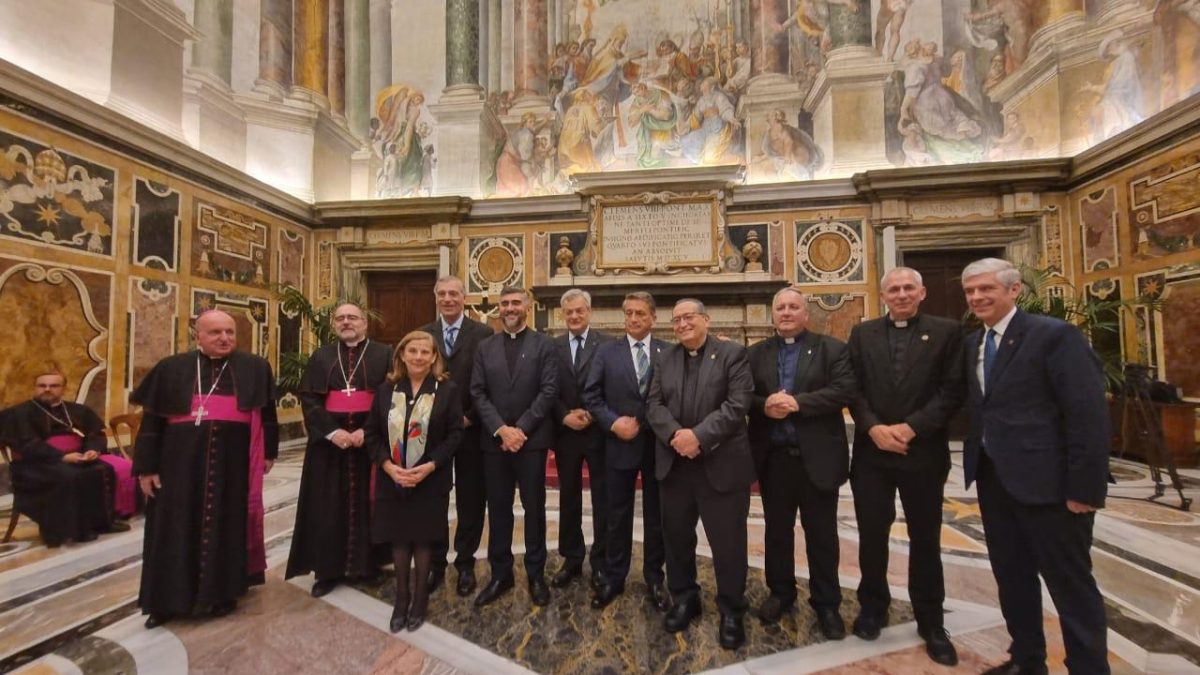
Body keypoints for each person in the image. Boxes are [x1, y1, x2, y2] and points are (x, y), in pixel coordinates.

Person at [961, 258, 1110, 675]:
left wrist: (1085, 489)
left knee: (1070, 586)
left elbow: (1088, 415)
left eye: (986, 288)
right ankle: (1027, 662)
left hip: (1052, 487)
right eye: (970, 291)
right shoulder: (972, 344)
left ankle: (1089, 669)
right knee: (1013, 579)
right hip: (995, 481)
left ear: (1014, 290)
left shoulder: (1054, 336)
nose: (977, 297)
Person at [131, 309, 279, 628]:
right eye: (215, 332)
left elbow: (267, 414)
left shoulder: (254, 367)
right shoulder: (171, 368)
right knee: (172, 527)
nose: (224, 338)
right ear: (197, 335)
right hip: (178, 464)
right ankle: (164, 601)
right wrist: (146, 467)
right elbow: (152, 422)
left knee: (228, 524)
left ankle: (222, 594)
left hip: (232, 463)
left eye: (230, 332)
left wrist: (268, 452)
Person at [847, 268, 963, 665]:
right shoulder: (862, 334)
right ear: (883, 296)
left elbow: (953, 390)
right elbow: (853, 388)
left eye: (907, 288)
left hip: (923, 453)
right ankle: (872, 608)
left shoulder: (947, 332)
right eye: (893, 289)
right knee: (871, 535)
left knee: (925, 538)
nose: (900, 294)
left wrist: (912, 428)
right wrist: (873, 428)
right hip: (872, 454)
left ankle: (931, 621)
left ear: (922, 292)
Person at [746, 287, 856, 639]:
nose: (787, 312)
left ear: (806, 314)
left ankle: (827, 603)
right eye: (780, 307)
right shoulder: (755, 354)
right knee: (777, 532)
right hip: (774, 459)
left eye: (793, 307)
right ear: (773, 314)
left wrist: (798, 403)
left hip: (817, 459)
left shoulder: (832, 349)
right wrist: (764, 406)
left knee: (822, 535)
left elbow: (844, 391)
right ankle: (781, 592)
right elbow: (743, 396)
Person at [646, 299, 755, 650]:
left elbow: (737, 405)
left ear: (706, 319)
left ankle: (732, 610)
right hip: (675, 466)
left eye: (689, 317)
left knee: (728, 544)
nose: (682, 324)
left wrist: (699, 437)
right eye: (676, 319)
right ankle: (685, 598)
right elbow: (653, 405)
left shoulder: (732, 354)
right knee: (677, 540)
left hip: (720, 465)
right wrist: (677, 436)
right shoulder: (664, 358)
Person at [286, 303, 392, 597]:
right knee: (327, 506)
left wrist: (366, 431)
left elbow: (391, 397)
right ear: (334, 324)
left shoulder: (384, 354)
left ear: (365, 323)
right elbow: (309, 398)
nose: (346, 322)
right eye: (341, 318)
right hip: (328, 446)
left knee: (370, 504)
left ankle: (368, 566)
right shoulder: (321, 356)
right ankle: (327, 571)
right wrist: (333, 433)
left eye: (352, 317)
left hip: (368, 443)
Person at [364, 331, 463, 633]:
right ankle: (401, 599)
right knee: (399, 539)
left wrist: (430, 466)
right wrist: (388, 467)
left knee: (422, 540)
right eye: (413, 351)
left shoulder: (447, 390)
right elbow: (371, 433)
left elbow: (455, 434)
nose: (419, 357)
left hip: (430, 479)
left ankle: (419, 600)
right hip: (393, 478)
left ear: (434, 358)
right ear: (402, 356)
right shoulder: (387, 390)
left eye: (425, 352)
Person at [470, 286, 558, 607]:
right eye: (505, 303)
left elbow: (549, 391)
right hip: (495, 443)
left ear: (527, 307)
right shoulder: (485, 347)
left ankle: (536, 574)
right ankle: (500, 574)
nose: (509, 308)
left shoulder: (544, 345)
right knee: (498, 509)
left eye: (516, 302)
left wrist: (520, 430)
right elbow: (477, 392)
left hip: (531, 442)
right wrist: (501, 430)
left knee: (534, 509)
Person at [584, 292, 671, 612]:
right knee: (616, 514)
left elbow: (673, 396)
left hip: (657, 446)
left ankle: (654, 577)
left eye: (640, 313)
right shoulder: (607, 352)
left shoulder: (668, 352)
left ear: (653, 318)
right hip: (619, 445)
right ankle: (614, 576)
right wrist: (612, 423)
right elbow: (592, 395)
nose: (633, 319)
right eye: (629, 313)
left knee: (656, 516)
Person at [420, 275, 495, 596]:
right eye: (442, 294)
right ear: (436, 297)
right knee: (433, 497)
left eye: (454, 293)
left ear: (465, 298)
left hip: (471, 430)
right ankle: (435, 563)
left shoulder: (483, 334)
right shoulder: (424, 334)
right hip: (433, 434)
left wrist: (471, 416)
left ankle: (465, 563)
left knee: (471, 499)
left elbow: (490, 381)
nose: (448, 299)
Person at [1, 369, 133, 546]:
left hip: (76, 456)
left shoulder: (78, 410)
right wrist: (61, 457)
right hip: (35, 463)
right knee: (69, 475)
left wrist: (92, 450)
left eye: (53, 386)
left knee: (100, 469)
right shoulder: (19, 414)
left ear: (64, 389)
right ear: (35, 387)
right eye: (42, 385)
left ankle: (101, 523)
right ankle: (70, 529)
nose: (47, 389)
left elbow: (95, 434)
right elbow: (26, 444)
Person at [550, 289, 612, 589]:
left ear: (589, 311)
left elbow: (614, 385)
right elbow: (547, 387)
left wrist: (591, 413)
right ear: (563, 314)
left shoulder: (608, 345)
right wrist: (564, 415)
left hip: (598, 432)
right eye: (569, 312)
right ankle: (572, 559)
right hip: (566, 434)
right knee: (569, 498)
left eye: (579, 310)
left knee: (603, 499)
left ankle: (601, 561)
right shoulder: (553, 346)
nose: (574, 316)